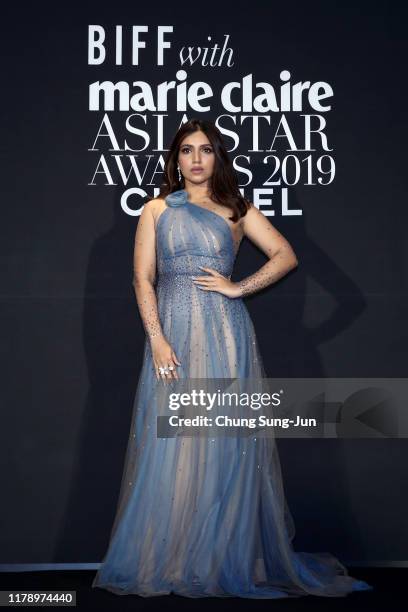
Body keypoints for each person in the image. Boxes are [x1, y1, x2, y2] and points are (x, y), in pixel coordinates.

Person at [92, 119, 373, 598]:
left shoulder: (236, 209)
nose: (197, 159)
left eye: (205, 150)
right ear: (175, 159)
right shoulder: (156, 210)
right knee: (175, 449)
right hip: (173, 338)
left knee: (226, 447)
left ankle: (223, 557)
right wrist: (156, 338)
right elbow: (143, 279)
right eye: (187, 150)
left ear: (217, 157)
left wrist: (239, 287)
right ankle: (174, 559)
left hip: (226, 336)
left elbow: (285, 255)